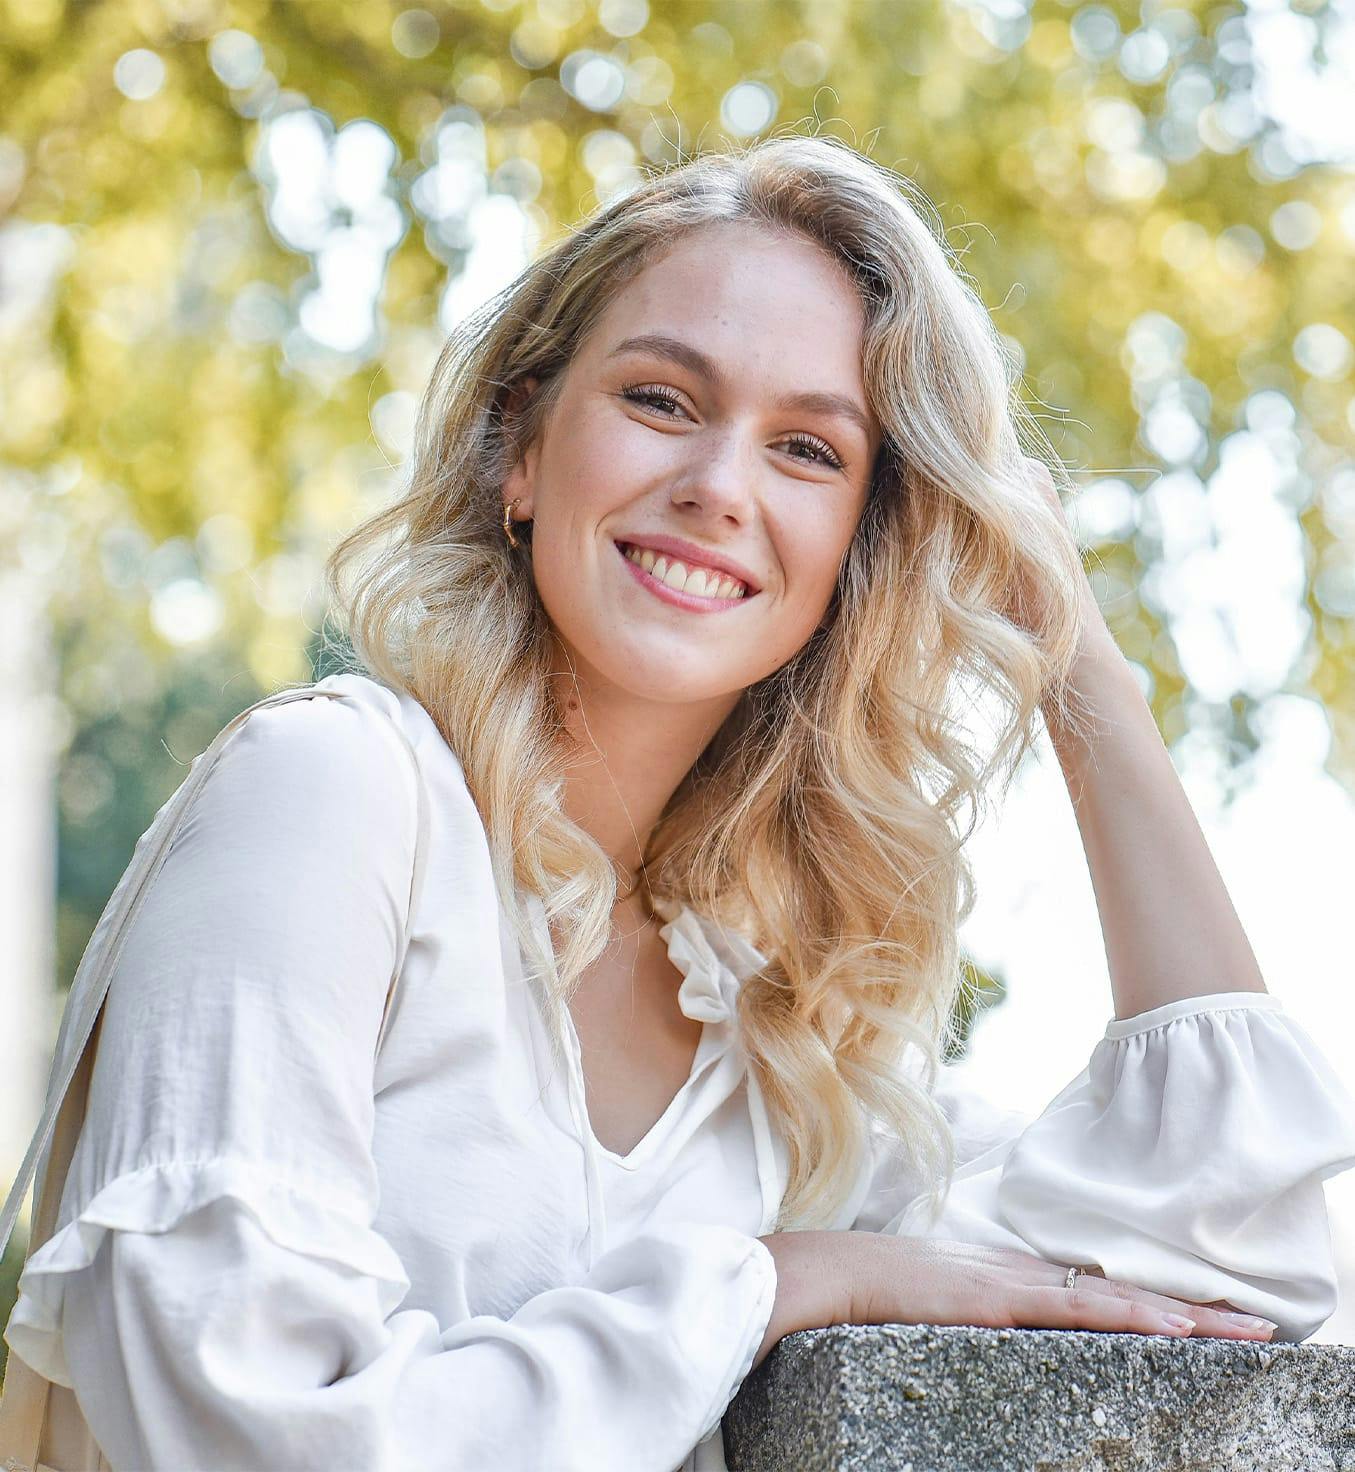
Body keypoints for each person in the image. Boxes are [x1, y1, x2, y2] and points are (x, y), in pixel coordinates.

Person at [5, 133, 1355, 1472]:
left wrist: (1076, 657)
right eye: (660, 399)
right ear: (518, 451)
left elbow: (1233, 1252)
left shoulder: (779, 1044)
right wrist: (757, 1288)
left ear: (857, 552)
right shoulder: (334, 796)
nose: (717, 489)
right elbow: (225, 1421)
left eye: (810, 453)